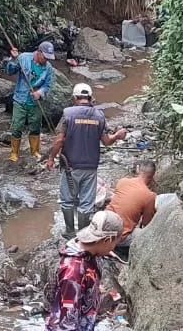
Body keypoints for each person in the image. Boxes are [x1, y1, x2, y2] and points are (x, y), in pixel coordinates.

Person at [43, 82, 127, 235]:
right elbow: (107, 142)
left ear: (75, 98)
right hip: (90, 167)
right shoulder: (99, 116)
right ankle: (83, 234)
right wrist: (117, 135)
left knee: (67, 200)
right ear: (90, 98)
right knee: (86, 203)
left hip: (70, 166)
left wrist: (51, 158)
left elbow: (59, 140)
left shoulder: (68, 114)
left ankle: (69, 231)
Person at [4, 40, 56, 164]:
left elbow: (48, 85)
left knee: (35, 127)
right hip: (20, 99)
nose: (46, 60)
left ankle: (35, 152)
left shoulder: (48, 68)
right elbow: (9, 71)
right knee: (16, 127)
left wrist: (40, 93)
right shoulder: (23, 58)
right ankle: (14, 153)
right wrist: (13, 59)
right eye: (45, 56)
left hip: (35, 101)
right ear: (39, 51)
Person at [104, 160, 158, 249]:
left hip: (102, 227)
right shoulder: (150, 196)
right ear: (152, 177)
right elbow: (147, 223)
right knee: (148, 236)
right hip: (120, 238)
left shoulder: (122, 181)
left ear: (138, 171)